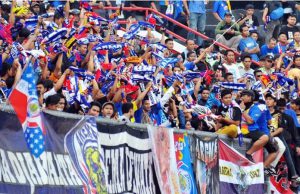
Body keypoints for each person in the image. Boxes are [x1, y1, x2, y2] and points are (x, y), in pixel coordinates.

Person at [240, 90, 277, 174]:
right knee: (274, 150)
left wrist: (242, 111)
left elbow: (251, 122)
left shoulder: (258, 107)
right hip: (254, 132)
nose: (241, 97)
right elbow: (269, 122)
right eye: (241, 95)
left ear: (250, 97)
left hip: (258, 132)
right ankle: (263, 168)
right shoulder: (261, 106)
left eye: (243, 95)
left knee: (275, 149)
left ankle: (261, 168)